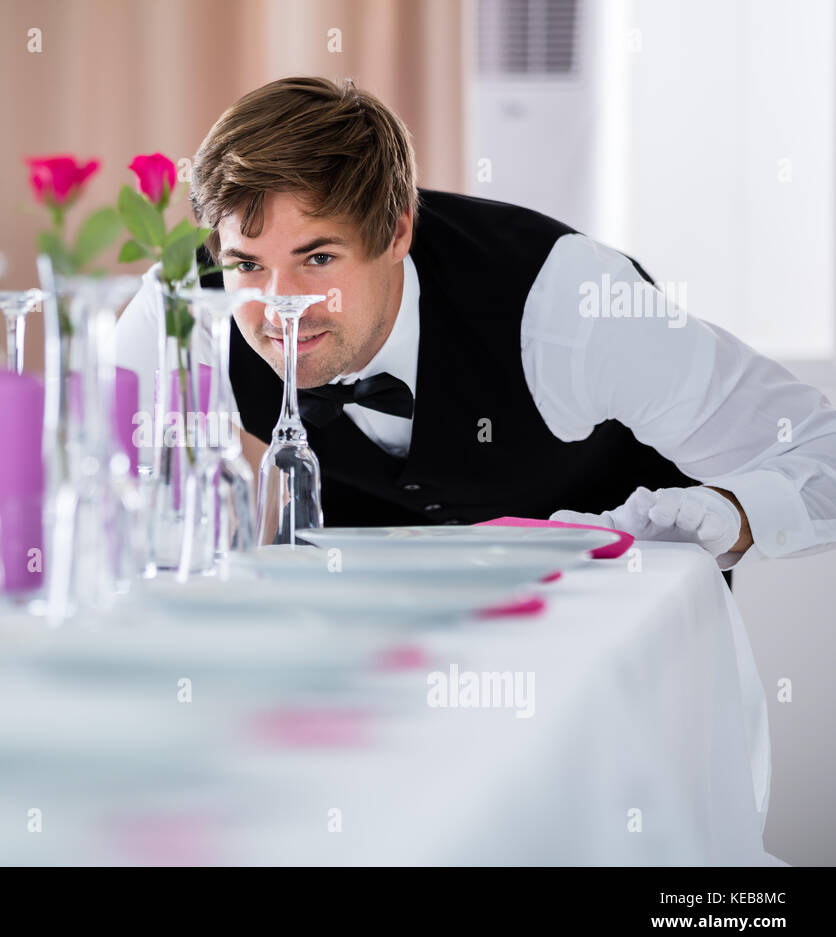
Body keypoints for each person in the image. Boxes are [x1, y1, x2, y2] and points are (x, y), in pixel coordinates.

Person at [116, 76, 836, 569]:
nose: (280, 302)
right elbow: (102, 489)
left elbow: (821, 452)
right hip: (366, 647)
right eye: (247, 265)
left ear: (396, 233)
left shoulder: (569, 304)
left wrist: (732, 510)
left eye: (318, 257)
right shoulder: (183, 310)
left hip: (612, 629)